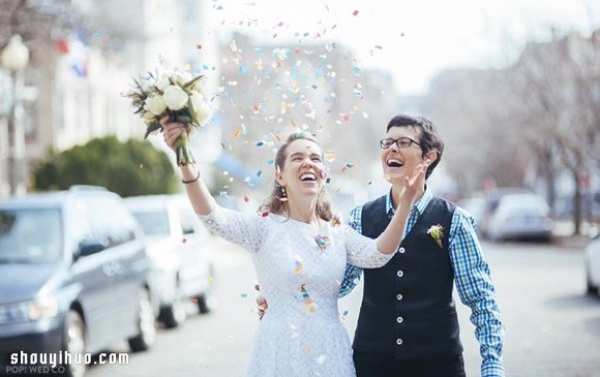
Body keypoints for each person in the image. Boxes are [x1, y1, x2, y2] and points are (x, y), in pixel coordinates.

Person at [161, 117, 428, 377]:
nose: (308, 163)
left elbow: (379, 254)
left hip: (330, 352)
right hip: (278, 351)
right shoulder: (263, 228)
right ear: (280, 174)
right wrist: (185, 161)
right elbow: (213, 217)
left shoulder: (338, 232)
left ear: (324, 175)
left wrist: (405, 203)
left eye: (315, 158)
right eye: (298, 158)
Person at [340, 114, 505, 377]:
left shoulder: (454, 220)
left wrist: (492, 365)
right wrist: (285, 294)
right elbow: (338, 283)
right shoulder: (360, 217)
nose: (392, 148)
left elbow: (480, 298)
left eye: (403, 142)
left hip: (438, 364)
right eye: (387, 142)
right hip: (372, 363)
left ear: (429, 157)